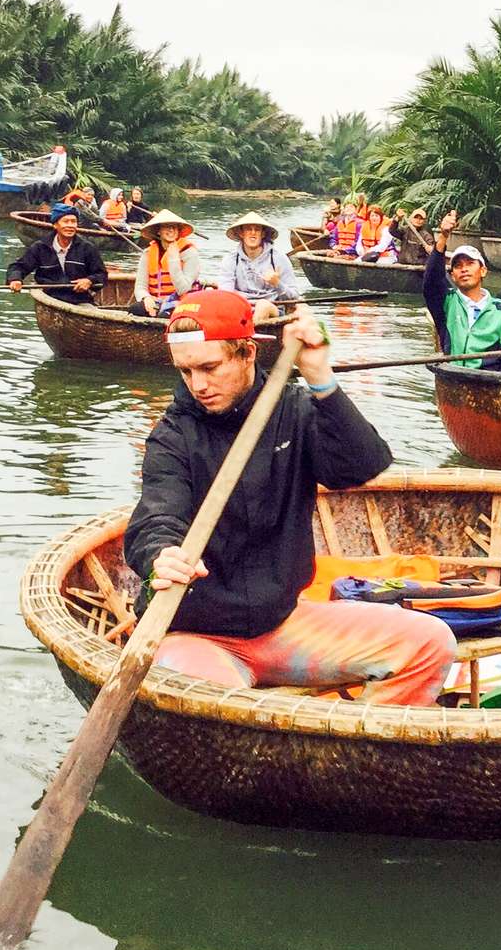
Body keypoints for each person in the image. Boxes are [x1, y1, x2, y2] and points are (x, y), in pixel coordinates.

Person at [124, 291, 456, 704]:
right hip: (194, 634)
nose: (199, 386)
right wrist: (162, 556)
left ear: (247, 353)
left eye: (210, 367)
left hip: (281, 623)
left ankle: (352, 752)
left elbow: (360, 467)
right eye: (186, 372)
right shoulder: (173, 435)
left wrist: (320, 377)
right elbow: (157, 515)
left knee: (432, 642)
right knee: (223, 708)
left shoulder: (294, 410)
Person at [422, 209, 501, 371]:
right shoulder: (447, 302)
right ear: (453, 275)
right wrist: (443, 237)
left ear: (483, 271)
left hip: (488, 378)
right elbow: (432, 281)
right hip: (455, 374)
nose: (464, 269)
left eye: (470, 264)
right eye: (458, 266)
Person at [6, 204, 107, 304]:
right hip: (49, 297)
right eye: (66, 221)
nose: (70, 225)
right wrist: (15, 279)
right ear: (55, 225)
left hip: (79, 299)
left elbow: (101, 275)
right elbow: (19, 267)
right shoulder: (40, 247)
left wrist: (89, 280)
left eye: (73, 222)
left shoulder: (87, 248)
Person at [223, 210, 307, 321]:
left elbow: (294, 296)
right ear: (241, 233)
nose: (253, 233)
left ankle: (250, 335)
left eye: (257, 230)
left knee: (263, 305)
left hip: (272, 308)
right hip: (242, 307)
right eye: (248, 229)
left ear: (263, 234)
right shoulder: (231, 259)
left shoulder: (278, 258)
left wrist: (277, 283)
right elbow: (226, 293)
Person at [132, 209, 205, 316]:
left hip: (182, 302)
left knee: (165, 314)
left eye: (174, 227)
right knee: (136, 309)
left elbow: (182, 289)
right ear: (158, 231)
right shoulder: (147, 253)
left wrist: (173, 259)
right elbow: (140, 286)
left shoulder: (189, 253)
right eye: (167, 226)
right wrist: (146, 298)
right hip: (155, 301)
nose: (171, 230)